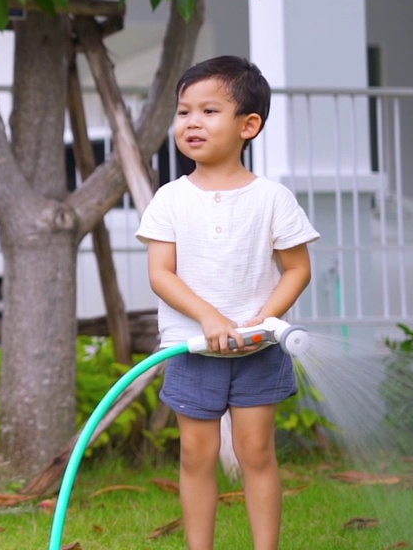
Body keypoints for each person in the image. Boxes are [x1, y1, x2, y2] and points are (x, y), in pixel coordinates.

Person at [135, 56, 319, 550]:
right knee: (197, 453)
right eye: (184, 111)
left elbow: (297, 269)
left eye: (209, 111)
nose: (192, 122)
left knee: (256, 451)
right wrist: (208, 317)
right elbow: (160, 274)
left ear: (248, 125)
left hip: (257, 348)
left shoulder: (272, 198)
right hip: (191, 348)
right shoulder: (170, 199)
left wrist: (264, 319)